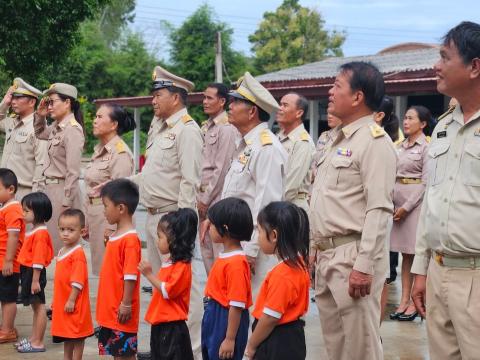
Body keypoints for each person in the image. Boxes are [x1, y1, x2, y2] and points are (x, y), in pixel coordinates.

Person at [310, 62, 396, 360]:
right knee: (336, 346)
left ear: (357, 97)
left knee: (360, 348)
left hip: (352, 256)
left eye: (337, 86)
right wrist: (313, 247)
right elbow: (322, 199)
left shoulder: (374, 142)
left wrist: (364, 265)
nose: (330, 92)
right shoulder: (337, 139)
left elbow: (379, 208)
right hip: (327, 254)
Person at [411, 21, 480, 360]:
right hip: (439, 273)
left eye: (444, 57)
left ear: (474, 67)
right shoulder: (444, 127)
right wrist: (421, 270)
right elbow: (432, 202)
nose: (436, 66)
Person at [130, 66, 203, 359]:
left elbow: (190, 179)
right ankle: (166, 347)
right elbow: (151, 174)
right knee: (163, 284)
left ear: (176, 97)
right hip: (154, 216)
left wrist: (184, 224)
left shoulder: (187, 130)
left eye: (158, 95)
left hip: (174, 217)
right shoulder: (159, 129)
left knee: (187, 287)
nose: (153, 101)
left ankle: (192, 349)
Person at [220, 72, 287, 299]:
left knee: (252, 307)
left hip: (254, 248)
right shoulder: (247, 145)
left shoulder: (266, 147)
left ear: (252, 111)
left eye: (236, 102)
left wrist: (251, 251)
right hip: (236, 243)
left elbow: (266, 203)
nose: (230, 106)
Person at [244, 202, 310, 360]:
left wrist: (251, 346)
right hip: (292, 337)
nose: (258, 238)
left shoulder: (283, 273)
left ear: (274, 235)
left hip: (277, 341)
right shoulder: (299, 263)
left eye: (259, 231)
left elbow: (270, 318)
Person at [389, 106, 433, 322]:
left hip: (414, 207)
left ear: (423, 124)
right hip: (397, 206)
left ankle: (415, 303)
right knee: (405, 256)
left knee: (416, 254)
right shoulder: (399, 146)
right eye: (405, 118)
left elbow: (426, 182)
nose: (405, 122)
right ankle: (404, 300)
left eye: (411, 118)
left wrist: (406, 206)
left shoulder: (426, 147)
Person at [138, 208, 197, 360]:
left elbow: (168, 291)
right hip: (161, 323)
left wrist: (149, 274)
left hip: (171, 327)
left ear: (174, 240)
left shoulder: (182, 266)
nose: (157, 241)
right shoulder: (171, 262)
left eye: (160, 237)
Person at [34, 83, 85, 253]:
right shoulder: (57, 127)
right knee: (48, 242)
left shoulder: (73, 130)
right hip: (50, 190)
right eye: (48, 103)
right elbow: (40, 133)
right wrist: (41, 116)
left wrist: (67, 202)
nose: (49, 107)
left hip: (62, 192)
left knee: (61, 246)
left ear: (67, 102)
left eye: (52, 102)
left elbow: (73, 171)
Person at [85, 103, 135, 275]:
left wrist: (112, 228)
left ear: (114, 125)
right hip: (97, 216)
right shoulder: (100, 150)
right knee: (102, 272)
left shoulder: (119, 153)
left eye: (100, 117)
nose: (94, 121)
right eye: (95, 117)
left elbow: (121, 197)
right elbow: (92, 190)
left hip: (109, 221)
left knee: (112, 274)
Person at [201, 197, 253, 360]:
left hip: (225, 318)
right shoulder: (226, 255)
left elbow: (236, 305)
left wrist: (230, 338)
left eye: (212, 225)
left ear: (225, 228)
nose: (209, 228)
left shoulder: (236, 263)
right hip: (215, 313)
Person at [97, 179, 141, 359]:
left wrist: (126, 303)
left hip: (121, 310)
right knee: (118, 354)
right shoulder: (117, 236)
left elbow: (130, 275)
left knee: (125, 355)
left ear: (121, 208)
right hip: (111, 309)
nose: (104, 211)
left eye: (106, 206)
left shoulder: (130, 240)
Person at [198, 83, 238, 274]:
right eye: (204, 97)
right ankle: (211, 299)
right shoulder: (208, 126)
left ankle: (220, 301)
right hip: (203, 199)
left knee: (218, 254)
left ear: (222, 101)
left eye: (210, 98)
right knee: (206, 253)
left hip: (216, 198)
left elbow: (221, 169)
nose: (205, 102)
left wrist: (205, 200)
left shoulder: (226, 128)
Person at [50, 209, 93, 360]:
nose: (65, 233)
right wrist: (56, 301)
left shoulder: (78, 253)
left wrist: (71, 299)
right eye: (62, 229)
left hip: (74, 303)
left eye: (71, 230)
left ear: (82, 231)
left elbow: (78, 281)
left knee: (77, 336)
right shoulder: (63, 250)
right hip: (64, 301)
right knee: (66, 335)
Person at [15, 192, 53, 353]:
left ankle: (37, 342)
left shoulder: (40, 233)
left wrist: (35, 280)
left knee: (39, 307)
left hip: (33, 273)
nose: (23, 213)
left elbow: (38, 259)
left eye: (26, 211)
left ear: (38, 212)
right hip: (29, 271)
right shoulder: (35, 230)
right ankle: (33, 338)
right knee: (35, 306)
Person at [0, 78, 48, 199]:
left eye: (18, 98)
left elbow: (41, 165)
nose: (13, 102)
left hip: (24, 193)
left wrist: (35, 197)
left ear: (32, 102)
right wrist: (4, 103)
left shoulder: (38, 127)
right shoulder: (11, 122)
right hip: (4, 191)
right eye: (13, 97)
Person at [276, 92, 315, 211]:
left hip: (291, 208)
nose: (279, 108)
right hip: (276, 206)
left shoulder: (303, 142)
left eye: (285, 105)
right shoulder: (277, 137)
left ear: (299, 113)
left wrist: (270, 206)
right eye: (280, 104)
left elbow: (290, 186)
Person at [0, 168, 25, 344]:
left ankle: (7, 330)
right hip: (2, 261)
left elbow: (14, 236)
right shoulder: (5, 208)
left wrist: (9, 261)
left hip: (7, 263)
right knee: (4, 296)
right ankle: (6, 326)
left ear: (11, 189)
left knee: (8, 298)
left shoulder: (13, 209)